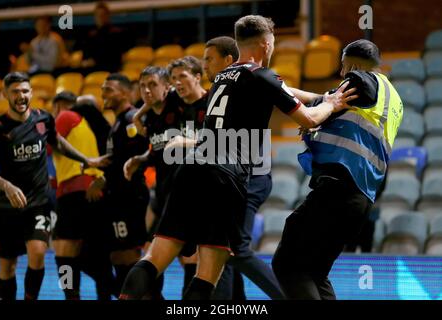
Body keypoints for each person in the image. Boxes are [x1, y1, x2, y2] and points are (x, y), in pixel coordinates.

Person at [119, 15, 356, 300]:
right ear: (266, 44)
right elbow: (308, 119)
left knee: (154, 258)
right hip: (224, 177)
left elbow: (282, 90)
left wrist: (319, 96)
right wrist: (330, 103)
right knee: (207, 272)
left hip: (190, 169)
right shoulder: (262, 77)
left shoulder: (222, 78)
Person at [271, 39, 403, 299]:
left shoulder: (359, 80)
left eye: (343, 67)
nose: (342, 74)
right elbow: (320, 100)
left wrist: (316, 117)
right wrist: (279, 87)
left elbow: (325, 105)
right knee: (315, 273)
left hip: (338, 189)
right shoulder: (392, 97)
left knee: (288, 266)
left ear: (353, 64)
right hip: (359, 199)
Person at [0, 72, 101, 300]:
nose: (21, 96)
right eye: (15, 92)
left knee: (38, 252)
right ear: (5, 95)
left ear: (31, 92)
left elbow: (58, 142)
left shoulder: (44, 119)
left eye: (25, 91)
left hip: (38, 202)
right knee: (7, 267)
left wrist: (85, 160)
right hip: (6, 205)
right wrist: (7, 186)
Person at [202, 36, 284, 300]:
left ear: (228, 60)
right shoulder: (219, 90)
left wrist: (324, 101)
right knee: (221, 249)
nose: (205, 66)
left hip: (250, 176)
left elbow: (289, 92)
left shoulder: (252, 80)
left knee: (235, 249)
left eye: (208, 59)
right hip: (228, 177)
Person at [125, 57, 209, 298]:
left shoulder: (178, 104)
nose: (147, 90)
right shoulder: (151, 119)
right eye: (142, 86)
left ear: (167, 87)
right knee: (153, 255)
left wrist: (135, 115)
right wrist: (140, 158)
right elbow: (158, 150)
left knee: (187, 257)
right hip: (162, 192)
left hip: (187, 192)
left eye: (152, 84)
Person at [87, 73, 150, 293]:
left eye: (109, 89)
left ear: (125, 93)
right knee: (116, 255)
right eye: (102, 89)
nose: (103, 94)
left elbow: (135, 159)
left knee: (128, 255)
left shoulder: (132, 119)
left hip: (129, 197)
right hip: (118, 197)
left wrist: (104, 177)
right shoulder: (117, 123)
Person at [50, 91, 115, 300]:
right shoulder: (92, 126)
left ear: (59, 105)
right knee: (97, 255)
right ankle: (115, 291)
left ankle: (71, 296)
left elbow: (50, 145)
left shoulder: (66, 116)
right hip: (96, 192)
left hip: (74, 193)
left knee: (63, 251)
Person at [80, 2, 126, 72]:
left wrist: (95, 61)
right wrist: (85, 62)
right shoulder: (91, 35)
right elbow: (85, 54)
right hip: (91, 68)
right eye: (98, 15)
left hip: (108, 68)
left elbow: (115, 56)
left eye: (102, 15)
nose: (100, 18)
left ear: (108, 16)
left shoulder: (116, 34)